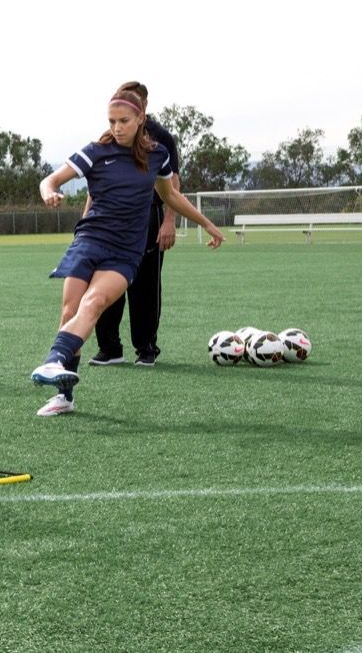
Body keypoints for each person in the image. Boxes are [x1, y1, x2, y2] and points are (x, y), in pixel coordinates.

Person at [29, 88, 225, 416]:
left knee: (93, 303)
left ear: (140, 120)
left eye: (124, 121)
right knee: (69, 312)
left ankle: (51, 362)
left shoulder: (158, 155)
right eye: (112, 121)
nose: (117, 127)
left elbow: (172, 197)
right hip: (89, 240)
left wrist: (207, 224)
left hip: (125, 251)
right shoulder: (95, 152)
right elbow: (51, 179)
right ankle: (64, 396)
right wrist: (49, 192)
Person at [89, 81, 180, 367]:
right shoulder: (109, 139)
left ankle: (146, 348)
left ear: (143, 110)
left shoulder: (161, 138)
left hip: (148, 217)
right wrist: (86, 221)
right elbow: (96, 184)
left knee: (145, 286)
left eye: (133, 104)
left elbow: (172, 184)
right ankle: (110, 348)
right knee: (105, 280)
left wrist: (168, 221)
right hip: (110, 220)